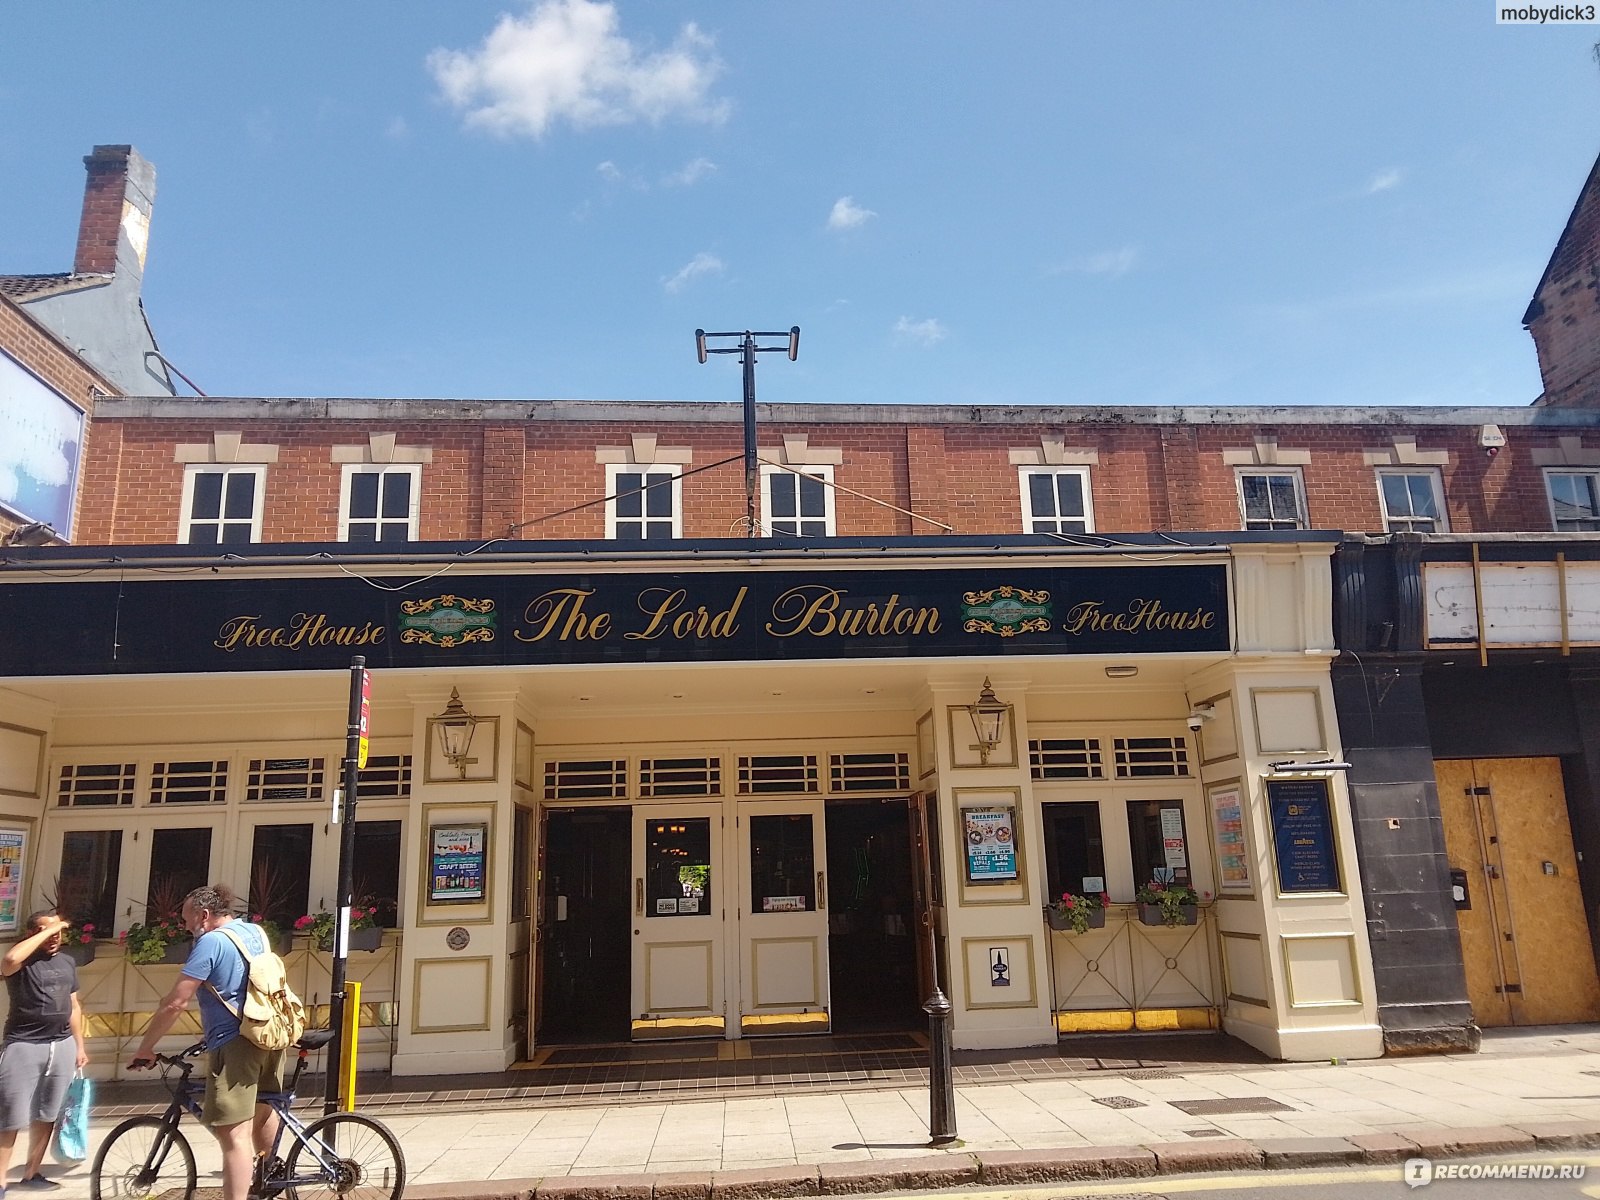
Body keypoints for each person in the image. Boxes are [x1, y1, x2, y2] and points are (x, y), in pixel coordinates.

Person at [129, 885, 284, 1200]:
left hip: (235, 1044)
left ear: (203, 915)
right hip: (267, 1035)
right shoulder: (254, 932)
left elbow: (175, 1002)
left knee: (234, 1136)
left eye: (186, 920)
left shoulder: (210, 942)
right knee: (264, 1109)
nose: (185, 927)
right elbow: (242, 987)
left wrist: (146, 1047)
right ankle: (270, 1183)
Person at [0, 910, 88, 1194]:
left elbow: (74, 1006)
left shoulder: (67, 962)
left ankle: (32, 1172)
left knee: (48, 1112)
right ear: (32, 933)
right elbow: (9, 960)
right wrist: (49, 929)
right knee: (10, 1115)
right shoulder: (22, 961)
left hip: (60, 1044)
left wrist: (79, 1045)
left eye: (59, 933)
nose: (55, 938)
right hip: (23, 1044)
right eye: (48, 933)